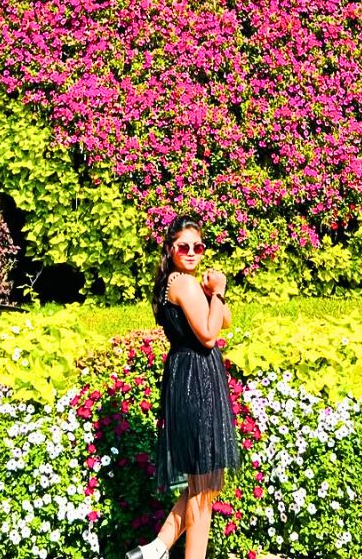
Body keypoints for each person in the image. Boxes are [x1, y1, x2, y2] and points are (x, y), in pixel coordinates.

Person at [126, 215, 241, 559]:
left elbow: (226, 319)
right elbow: (209, 335)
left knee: (200, 484)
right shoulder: (185, 285)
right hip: (198, 380)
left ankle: (155, 550)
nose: (192, 252)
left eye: (198, 246)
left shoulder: (172, 284)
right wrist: (217, 291)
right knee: (204, 492)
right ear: (170, 248)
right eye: (184, 246)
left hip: (183, 376)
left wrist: (213, 295)